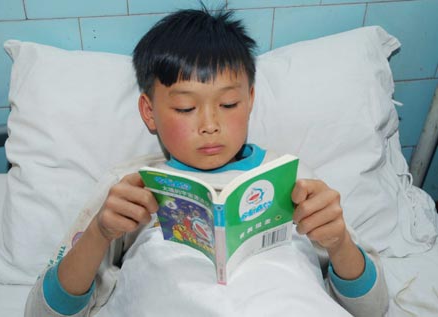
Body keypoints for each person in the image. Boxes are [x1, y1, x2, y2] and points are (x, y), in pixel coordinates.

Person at [25, 7, 388, 317]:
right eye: (185, 108)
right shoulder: (129, 186)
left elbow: (373, 307)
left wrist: (339, 241)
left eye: (228, 105)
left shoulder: (290, 176)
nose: (210, 125)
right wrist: (99, 234)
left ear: (250, 100)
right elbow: (42, 311)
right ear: (149, 113)